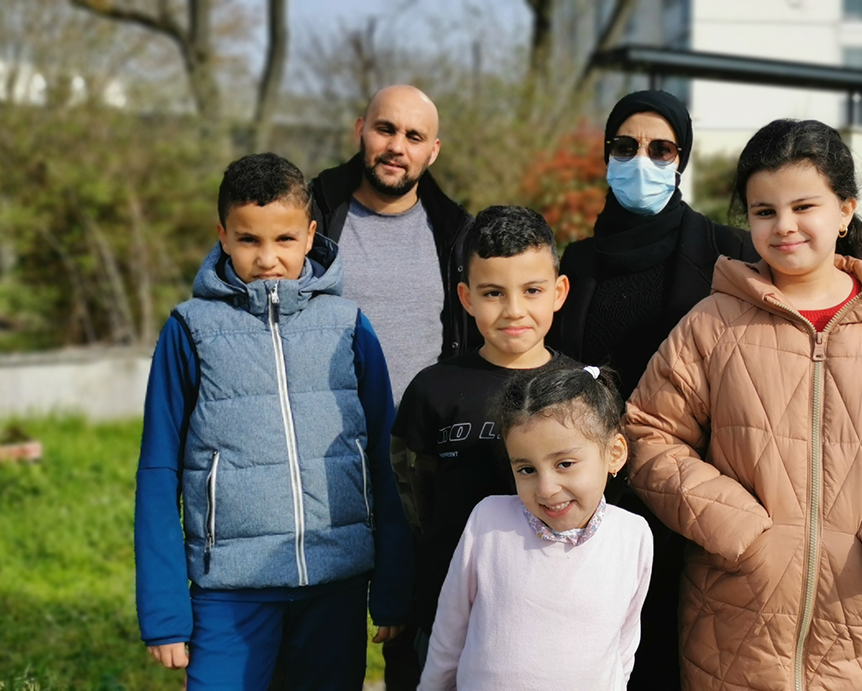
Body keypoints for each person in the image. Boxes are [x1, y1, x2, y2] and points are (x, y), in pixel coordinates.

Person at [625, 119, 862, 690]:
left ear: (845, 211)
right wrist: (736, 527)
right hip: (735, 627)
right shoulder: (713, 324)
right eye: (764, 211)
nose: (785, 226)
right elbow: (648, 433)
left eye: (805, 206)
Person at [133, 153, 412, 690]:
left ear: (310, 234)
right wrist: (164, 611)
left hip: (336, 583)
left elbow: (385, 456)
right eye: (248, 240)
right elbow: (157, 471)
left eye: (284, 239)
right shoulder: (189, 331)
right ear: (222, 235)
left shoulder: (348, 326)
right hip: (230, 592)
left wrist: (394, 585)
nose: (267, 259)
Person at [546, 89, 760, 689]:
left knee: (675, 660)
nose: (641, 160)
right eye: (625, 146)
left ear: (681, 159)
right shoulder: (580, 261)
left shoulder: (728, 253)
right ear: (606, 155)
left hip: (695, 501)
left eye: (660, 148)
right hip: (601, 500)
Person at [390, 205, 577, 672]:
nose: (514, 310)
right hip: (447, 615)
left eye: (531, 291)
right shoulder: (432, 389)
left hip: (550, 618)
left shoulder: (583, 390)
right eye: (493, 292)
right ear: (466, 297)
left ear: (558, 292)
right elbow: (411, 504)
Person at [419, 364, 653, 691]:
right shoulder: (488, 522)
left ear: (614, 454)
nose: (546, 488)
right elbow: (451, 625)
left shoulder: (633, 536)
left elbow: (625, 640)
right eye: (527, 469)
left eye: (565, 464)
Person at [309, 84, 476, 407]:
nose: (396, 147)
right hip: (325, 439)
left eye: (414, 137)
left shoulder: (459, 234)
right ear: (360, 130)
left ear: (433, 151)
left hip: (422, 445)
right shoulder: (309, 216)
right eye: (385, 129)